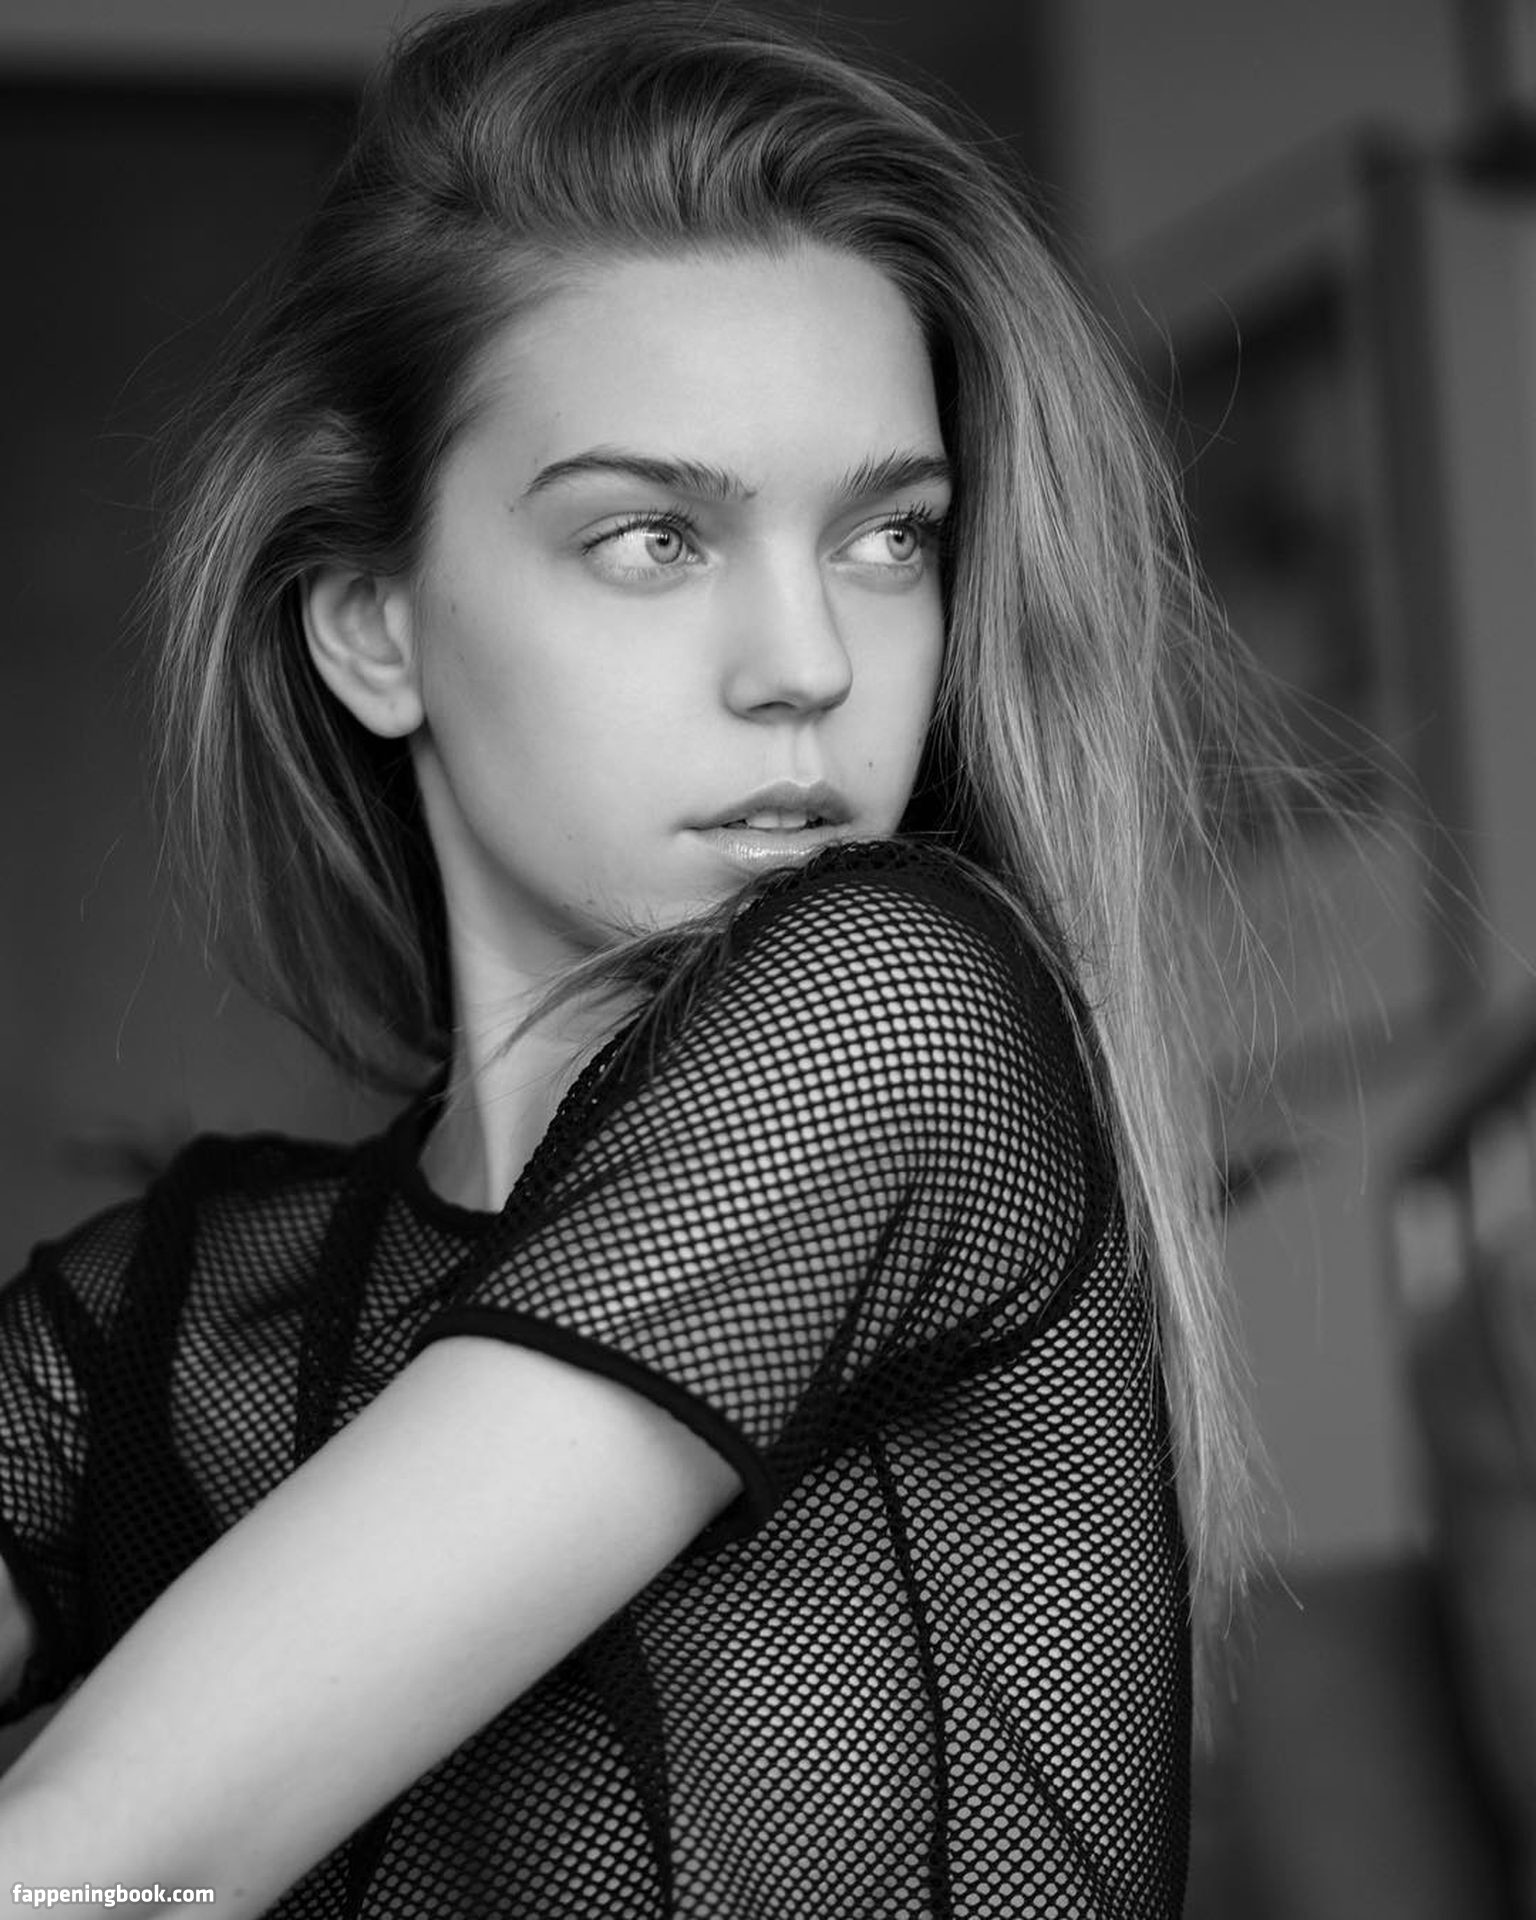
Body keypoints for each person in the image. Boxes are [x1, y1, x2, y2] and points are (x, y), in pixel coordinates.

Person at [0, 0, 1284, 1911]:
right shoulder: (168, 1322)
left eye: (888, 537)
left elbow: (111, 1866)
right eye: (653, 539)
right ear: (372, 627)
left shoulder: (905, 1011)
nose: (810, 664)